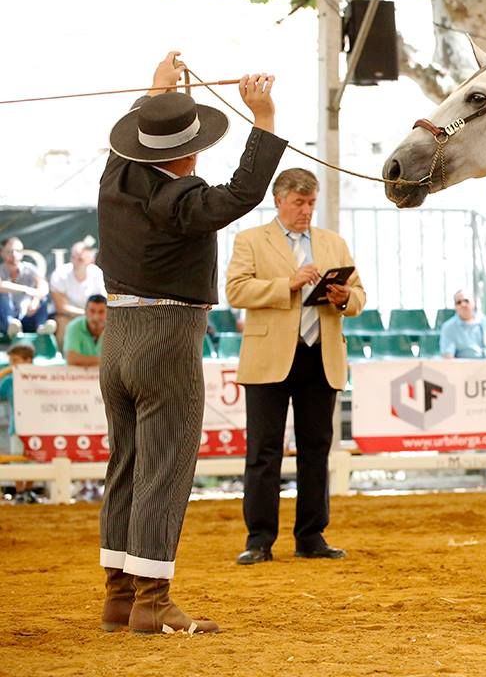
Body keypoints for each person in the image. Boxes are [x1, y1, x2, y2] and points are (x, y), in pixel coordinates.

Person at [96, 51, 285, 635]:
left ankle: (120, 596)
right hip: (167, 337)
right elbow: (241, 194)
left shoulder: (115, 176)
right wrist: (265, 119)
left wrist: (158, 92)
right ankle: (153, 601)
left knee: (125, 464)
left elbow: (137, 141)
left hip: (117, 338)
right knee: (165, 466)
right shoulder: (181, 200)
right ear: (189, 150)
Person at [227, 167, 365, 567]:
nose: (306, 210)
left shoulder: (332, 243)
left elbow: (359, 296)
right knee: (264, 452)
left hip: (320, 355)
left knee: (316, 450)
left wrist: (341, 297)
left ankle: (311, 535)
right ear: (279, 201)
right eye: (299, 203)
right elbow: (235, 290)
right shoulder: (251, 240)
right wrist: (287, 283)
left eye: (311, 203)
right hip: (270, 358)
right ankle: (259, 539)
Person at [49, 239, 105, 350]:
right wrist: (86, 314)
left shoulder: (97, 273)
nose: (77, 260)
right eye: (74, 256)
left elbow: (103, 301)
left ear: (90, 259)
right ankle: (64, 358)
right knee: (63, 322)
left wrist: (93, 316)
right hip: (67, 316)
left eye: (81, 258)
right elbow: (61, 308)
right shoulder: (60, 274)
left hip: (92, 314)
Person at [0, 343, 37, 502]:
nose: (12, 365)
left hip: (37, 428)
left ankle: (29, 490)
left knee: (34, 459)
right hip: (16, 428)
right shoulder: (8, 381)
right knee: (16, 459)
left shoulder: (39, 378)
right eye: (11, 361)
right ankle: (20, 491)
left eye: (15, 361)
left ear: (28, 361)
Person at [1, 237, 51, 336]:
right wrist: (26, 290)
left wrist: (36, 300)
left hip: (27, 316)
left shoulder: (30, 269)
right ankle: (12, 327)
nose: (14, 255)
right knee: (2, 295)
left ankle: (41, 328)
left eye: (18, 251)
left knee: (43, 299)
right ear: (1, 252)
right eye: (10, 251)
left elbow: (44, 287)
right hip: (4, 321)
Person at [439, 289, 486, 359]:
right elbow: (448, 357)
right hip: (462, 367)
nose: (463, 304)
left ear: (474, 302)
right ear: (455, 306)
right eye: (458, 302)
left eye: (466, 301)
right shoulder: (448, 328)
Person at [63, 294, 107, 367]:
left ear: (109, 313)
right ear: (85, 312)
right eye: (92, 311)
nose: (96, 317)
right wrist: (106, 361)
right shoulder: (74, 327)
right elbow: (71, 359)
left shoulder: (115, 329)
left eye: (101, 312)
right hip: (78, 376)